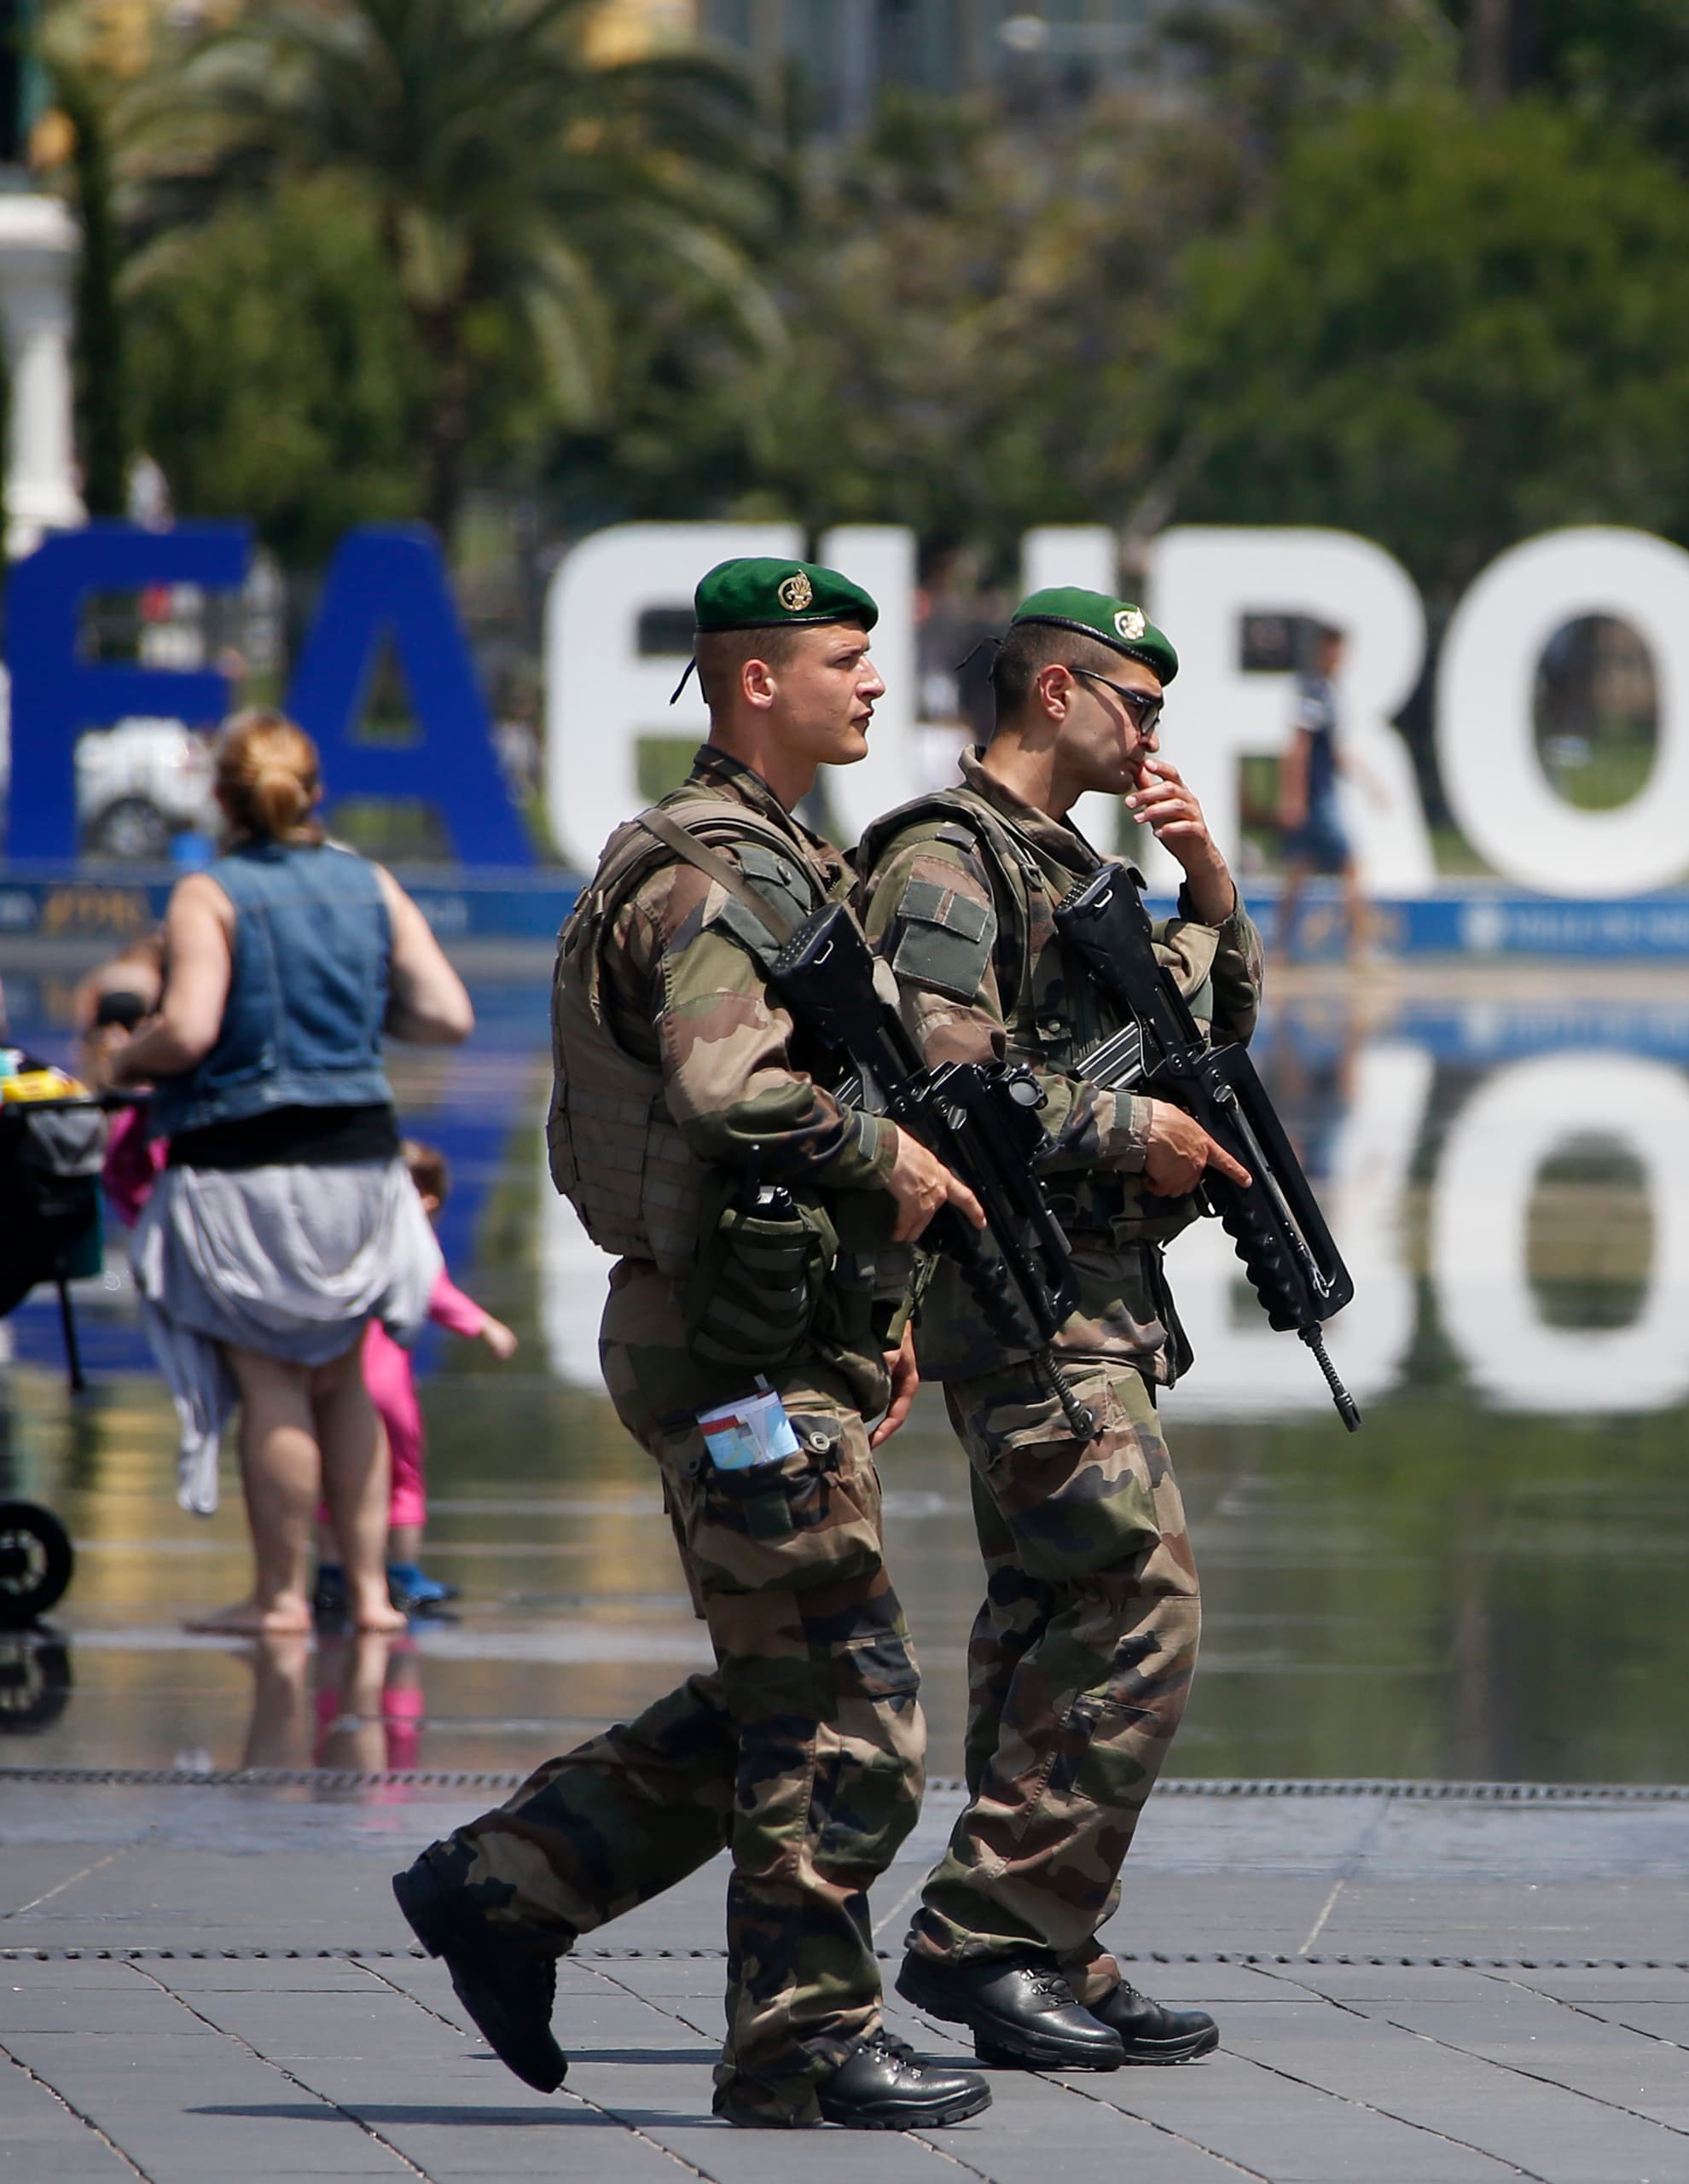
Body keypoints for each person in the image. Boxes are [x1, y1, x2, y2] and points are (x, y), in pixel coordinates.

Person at [391, 558, 995, 2132]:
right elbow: (735, 1097)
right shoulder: (710, 878)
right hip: (729, 1353)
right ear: (753, 683)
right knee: (847, 1706)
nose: (873, 684)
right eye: (844, 660)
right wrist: (897, 1168)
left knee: (775, 1687)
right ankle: (795, 2045)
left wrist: (881, 1305)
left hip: (775, 1334)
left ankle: (507, 1887)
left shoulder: (790, 860)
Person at [855, 586, 1256, 2073]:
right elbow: (944, 1079)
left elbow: (1205, 1035)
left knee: (1043, 1621)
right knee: (1142, 1604)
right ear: (1054, 694)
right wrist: (1124, 1123)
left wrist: (1204, 872)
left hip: (1088, 1301)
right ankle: (984, 1935)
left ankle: (1051, 1938)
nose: (1153, 734)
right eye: (1136, 706)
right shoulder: (949, 863)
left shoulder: (1069, 862)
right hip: (1021, 1296)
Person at [114, 713, 476, 1638]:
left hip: (244, 1167)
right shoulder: (369, 882)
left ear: (223, 799)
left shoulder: (211, 892)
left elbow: (189, 1030)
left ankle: (279, 1598)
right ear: (315, 793)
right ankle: (367, 1595)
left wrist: (130, 1054)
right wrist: (352, 1011)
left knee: (272, 1381)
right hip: (359, 1162)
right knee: (348, 1379)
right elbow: (446, 1015)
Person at [316, 1141, 517, 1617]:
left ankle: (330, 1576)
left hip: (334, 1376)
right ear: (426, 1200)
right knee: (403, 1477)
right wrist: (485, 1325)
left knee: (336, 1477)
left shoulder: (343, 1239)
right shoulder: (408, 1245)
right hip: (385, 1385)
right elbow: (433, 1291)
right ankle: (403, 1574)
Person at [1274, 626, 1367, 967]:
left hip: (1317, 795)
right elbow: (1299, 747)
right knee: (1351, 866)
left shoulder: (1326, 692)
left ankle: (1281, 948)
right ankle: (1358, 951)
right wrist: (1294, 797)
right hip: (1317, 798)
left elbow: (1333, 752)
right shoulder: (1314, 692)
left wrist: (1370, 782)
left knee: (1298, 871)